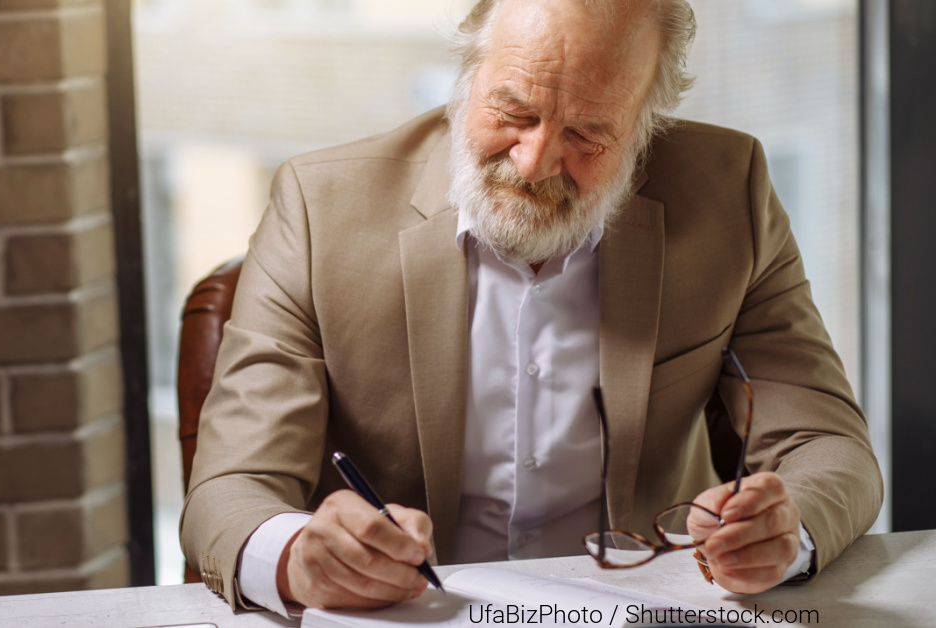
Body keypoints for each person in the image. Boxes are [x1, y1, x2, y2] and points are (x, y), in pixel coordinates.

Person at [180, 0, 882, 616]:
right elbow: (230, 488)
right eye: (513, 112)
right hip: (413, 612)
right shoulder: (317, 207)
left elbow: (830, 447)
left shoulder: (730, 191)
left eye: (588, 135)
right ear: (466, 77)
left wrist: (789, 531)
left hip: (644, 603)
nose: (535, 159)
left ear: (643, 128)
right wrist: (301, 553)